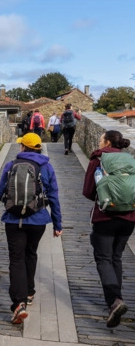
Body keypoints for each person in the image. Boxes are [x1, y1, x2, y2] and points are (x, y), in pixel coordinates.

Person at [0, 133, 63, 324]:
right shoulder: (47, 167)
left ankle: (19, 303)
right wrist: (57, 224)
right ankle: (30, 292)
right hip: (39, 220)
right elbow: (54, 198)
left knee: (16, 259)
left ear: (23, 147)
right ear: (39, 148)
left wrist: (13, 204)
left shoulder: (11, 166)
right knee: (31, 254)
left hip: (13, 220)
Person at [82, 130, 135, 328]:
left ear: (107, 142)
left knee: (104, 258)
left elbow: (88, 191)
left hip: (105, 215)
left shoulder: (99, 158)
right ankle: (115, 301)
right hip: (130, 216)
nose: (98, 141)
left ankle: (115, 301)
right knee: (116, 258)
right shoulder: (130, 159)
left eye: (100, 138)